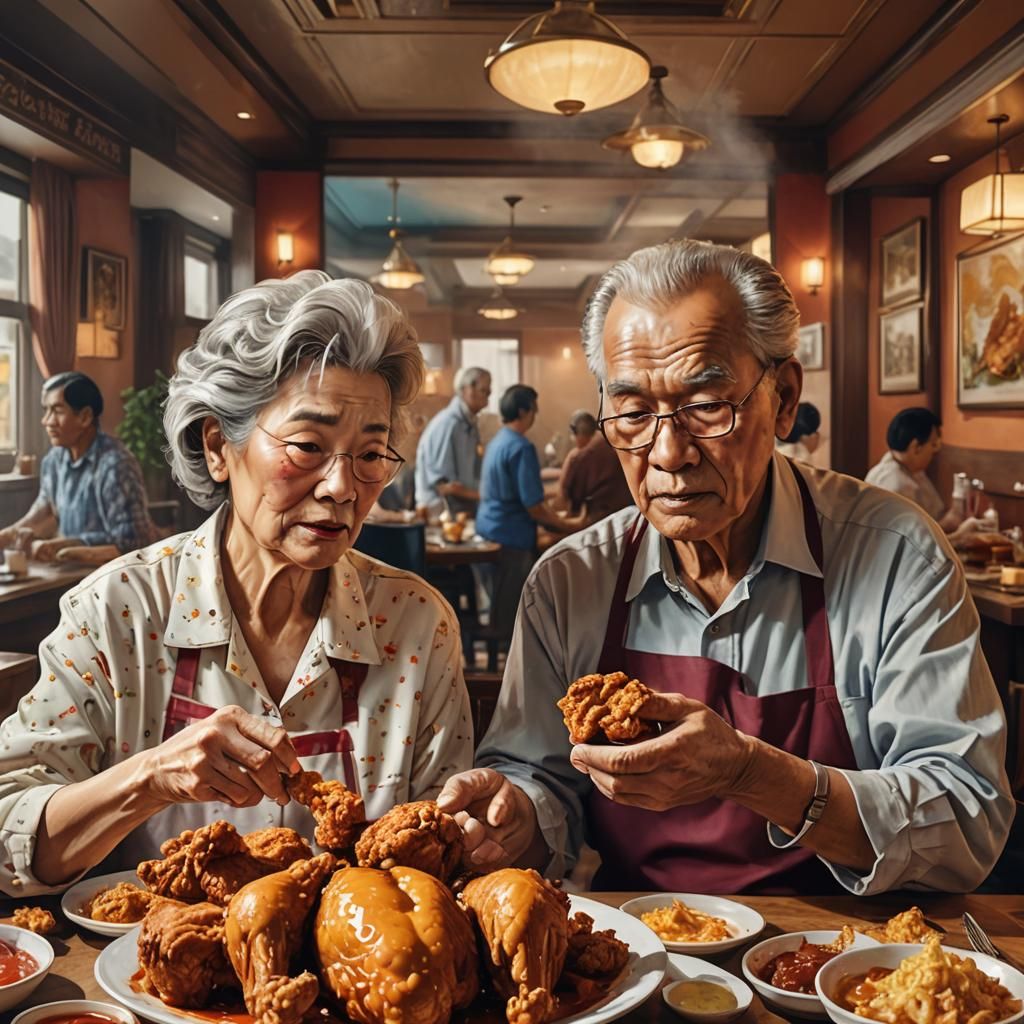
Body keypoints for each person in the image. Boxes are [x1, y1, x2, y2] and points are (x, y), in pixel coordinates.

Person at [438, 239, 1012, 896]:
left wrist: (752, 774)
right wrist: (516, 818)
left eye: (707, 405)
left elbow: (966, 822)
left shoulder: (895, 554)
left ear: (784, 398)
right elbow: (542, 780)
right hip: (640, 940)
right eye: (633, 413)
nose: (668, 453)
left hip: (850, 944)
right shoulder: (569, 581)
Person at [0, 272, 472, 895]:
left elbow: (443, 858)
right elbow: (8, 833)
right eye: (307, 445)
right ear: (218, 446)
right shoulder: (117, 611)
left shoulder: (417, 623)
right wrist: (150, 778)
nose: (342, 487)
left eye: (369, 454)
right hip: (142, 957)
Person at [0, 372, 159, 562]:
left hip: (112, 572)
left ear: (85, 417)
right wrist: (7, 536)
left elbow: (134, 542)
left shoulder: (116, 465)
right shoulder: (54, 460)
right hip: (69, 569)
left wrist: (64, 545)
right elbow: (45, 512)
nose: (47, 421)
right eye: (46, 411)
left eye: (57, 411)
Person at [475, 385, 582, 647]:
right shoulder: (521, 446)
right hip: (510, 536)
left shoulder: (498, 441)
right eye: (534, 409)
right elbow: (534, 506)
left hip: (488, 528)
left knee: (500, 606)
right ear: (524, 411)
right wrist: (568, 525)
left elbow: (523, 487)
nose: (535, 415)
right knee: (512, 617)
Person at [414, 366, 491, 517]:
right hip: (439, 512)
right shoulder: (448, 424)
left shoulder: (469, 423)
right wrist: (487, 496)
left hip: (462, 508)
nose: (488, 399)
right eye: (484, 391)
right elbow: (445, 486)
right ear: (468, 390)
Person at [865, 408, 959, 530]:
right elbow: (914, 538)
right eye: (933, 444)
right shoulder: (897, 484)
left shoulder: (911, 469)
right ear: (916, 447)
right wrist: (956, 530)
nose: (935, 451)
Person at [558, 409, 633, 525]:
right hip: (630, 510)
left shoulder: (579, 456)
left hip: (602, 517)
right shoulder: (612, 440)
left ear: (576, 433)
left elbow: (566, 497)